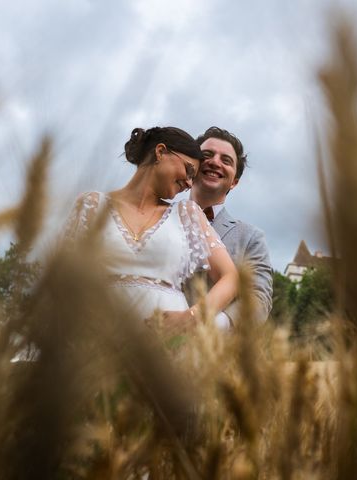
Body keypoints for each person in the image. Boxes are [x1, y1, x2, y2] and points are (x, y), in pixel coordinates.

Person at [64, 126, 238, 332]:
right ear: (161, 151)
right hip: (98, 339)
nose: (190, 183)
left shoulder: (187, 214)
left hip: (166, 345)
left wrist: (191, 318)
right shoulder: (92, 205)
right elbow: (62, 278)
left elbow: (231, 277)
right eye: (189, 170)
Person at [190, 126, 272, 328]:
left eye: (226, 160)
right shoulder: (159, 216)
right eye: (207, 155)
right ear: (191, 165)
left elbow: (258, 299)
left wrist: (212, 329)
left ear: (234, 182)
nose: (215, 161)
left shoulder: (251, 237)